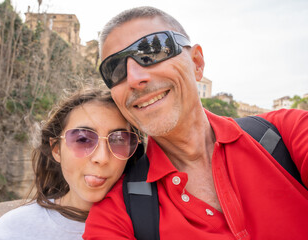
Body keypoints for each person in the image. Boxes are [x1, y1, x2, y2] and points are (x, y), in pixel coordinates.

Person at [83, 6, 308, 240]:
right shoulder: (117, 215)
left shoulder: (286, 133)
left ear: (197, 63)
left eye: (153, 51)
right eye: (115, 69)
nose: (135, 79)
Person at [0, 88, 142, 240]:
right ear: (57, 149)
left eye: (119, 140)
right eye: (83, 139)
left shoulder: (151, 223)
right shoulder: (15, 229)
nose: (102, 158)